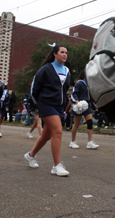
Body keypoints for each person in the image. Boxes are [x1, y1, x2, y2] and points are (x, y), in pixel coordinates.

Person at [24, 44, 71, 176]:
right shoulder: (46, 69)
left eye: (66, 52)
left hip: (59, 106)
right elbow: (35, 87)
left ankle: (30, 155)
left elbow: (64, 89)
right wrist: (36, 104)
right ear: (55, 54)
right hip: (46, 104)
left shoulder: (67, 71)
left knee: (47, 135)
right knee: (58, 131)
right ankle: (57, 166)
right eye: (62, 52)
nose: (65, 54)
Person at [69, 70, 99, 149]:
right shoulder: (79, 83)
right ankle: (72, 142)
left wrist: (95, 107)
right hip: (79, 106)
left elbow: (90, 97)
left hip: (86, 105)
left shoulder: (89, 84)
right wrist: (77, 101)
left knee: (90, 122)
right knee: (76, 124)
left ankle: (90, 142)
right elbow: (74, 93)